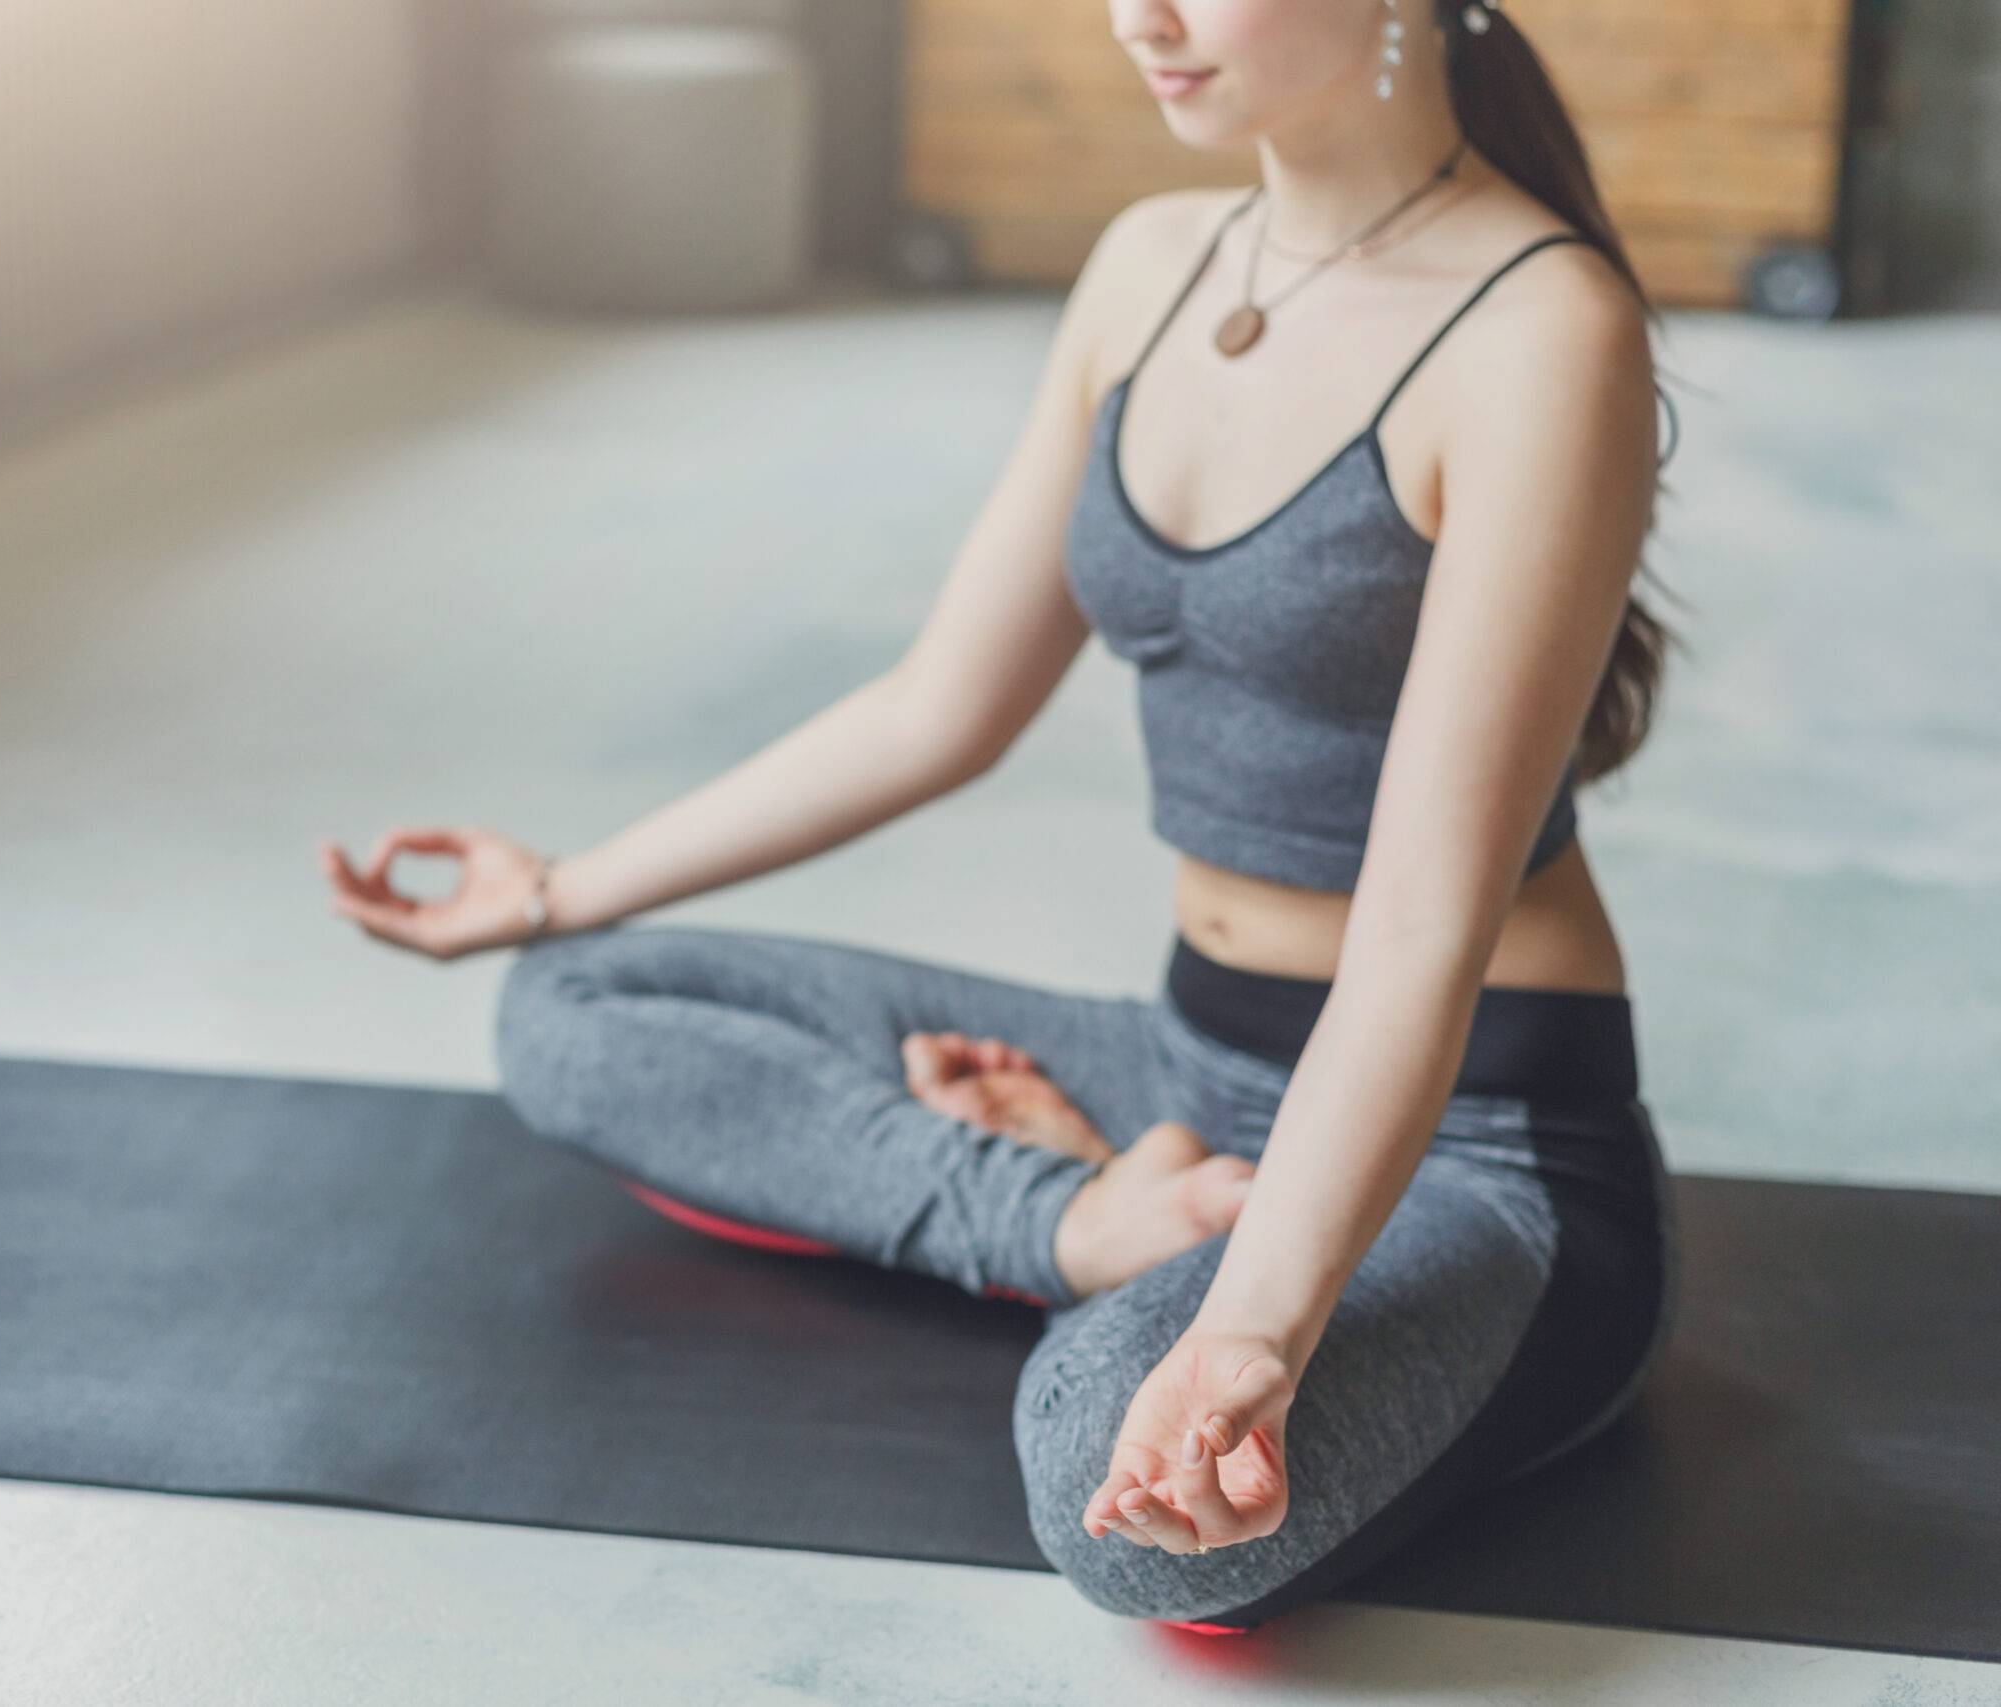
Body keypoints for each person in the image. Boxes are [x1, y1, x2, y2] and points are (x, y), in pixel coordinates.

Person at [319, 0, 1686, 1633]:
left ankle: (1134, 1240)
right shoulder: (1154, 262)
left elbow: (1420, 934)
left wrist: (1251, 1333)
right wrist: (553, 887)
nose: (1140, 18)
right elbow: (934, 710)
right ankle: (1091, 1217)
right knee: (577, 1004)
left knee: (1120, 1498)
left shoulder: (1540, 331)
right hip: (1194, 1059)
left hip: (1478, 1145)